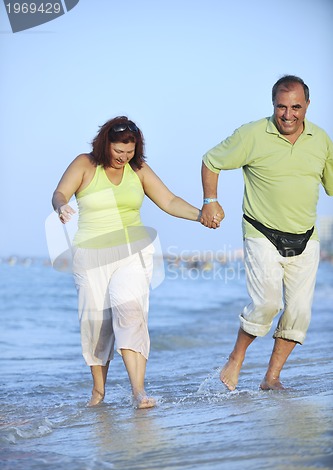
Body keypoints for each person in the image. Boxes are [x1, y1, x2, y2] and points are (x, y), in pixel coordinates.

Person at [52, 116, 222, 409]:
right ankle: (98, 392)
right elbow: (60, 193)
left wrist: (201, 214)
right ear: (106, 143)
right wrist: (62, 206)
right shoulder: (85, 164)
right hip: (90, 257)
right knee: (96, 326)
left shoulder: (138, 169)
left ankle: (138, 391)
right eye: (119, 152)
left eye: (129, 152)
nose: (123, 158)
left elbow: (168, 201)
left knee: (130, 313)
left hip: (133, 254)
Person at [200, 75, 333, 391]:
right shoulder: (253, 134)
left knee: (299, 314)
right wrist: (210, 201)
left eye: (296, 107)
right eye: (281, 107)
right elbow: (211, 161)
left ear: (307, 106)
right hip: (262, 233)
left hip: (306, 238)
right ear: (273, 105)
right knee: (267, 304)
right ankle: (236, 357)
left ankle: (271, 378)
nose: (288, 115)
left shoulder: (321, 140)